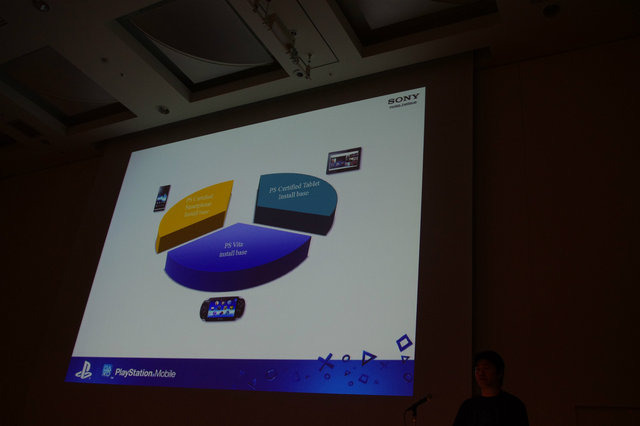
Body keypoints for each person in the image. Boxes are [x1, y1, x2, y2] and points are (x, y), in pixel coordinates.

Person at [453, 350, 529, 426]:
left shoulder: (514, 406)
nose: (481, 373)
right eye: (478, 369)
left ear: (499, 373)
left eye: (486, 368)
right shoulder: (468, 407)